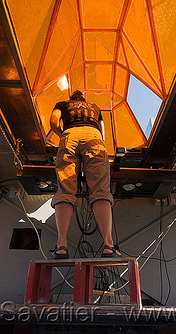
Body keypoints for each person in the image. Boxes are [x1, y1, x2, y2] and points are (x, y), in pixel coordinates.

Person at [50, 90, 120, 259]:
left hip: (69, 135)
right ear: (83, 99)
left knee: (65, 190)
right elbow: (102, 132)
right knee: (100, 189)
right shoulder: (95, 107)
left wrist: (63, 136)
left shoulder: (63, 104)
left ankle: (61, 246)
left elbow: (53, 121)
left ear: (71, 98)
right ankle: (108, 245)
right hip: (93, 136)